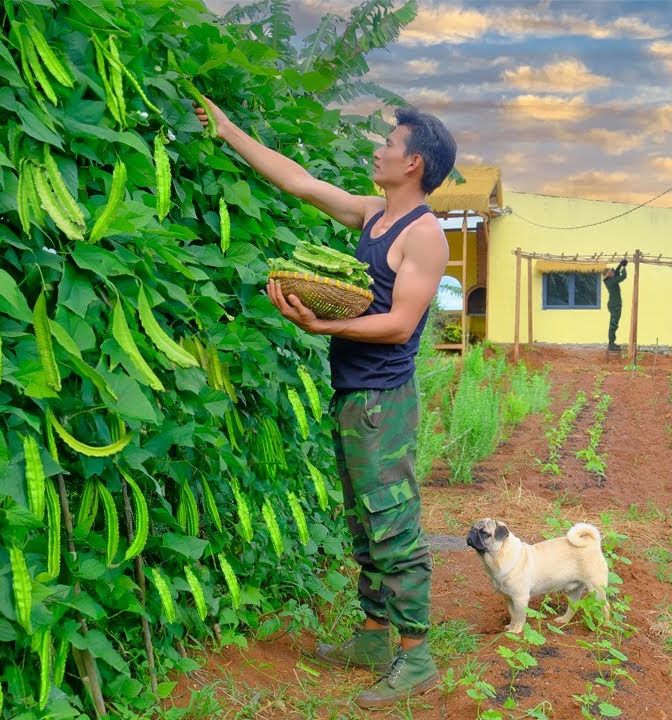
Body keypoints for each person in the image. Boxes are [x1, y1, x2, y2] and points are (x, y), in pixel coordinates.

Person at [195, 98, 456, 708]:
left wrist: (322, 329)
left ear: (413, 161)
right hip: (352, 396)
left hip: (382, 401)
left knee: (392, 522)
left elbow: (398, 325)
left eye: (388, 144)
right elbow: (301, 182)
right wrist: (230, 128)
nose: (377, 149)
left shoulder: (425, 236)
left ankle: (417, 655)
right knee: (363, 520)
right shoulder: (373, 215)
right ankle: (372, 636)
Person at [603, 258, 629, 351]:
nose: (613, 272)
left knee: (614, 324)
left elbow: (616, 272)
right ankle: (611, 344)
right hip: (615, 306)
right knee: (613, 324)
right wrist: (624, 268)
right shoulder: (612, 282)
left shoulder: (609, 280)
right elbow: (623, 276)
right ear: (609, 275)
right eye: (611, 272)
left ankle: (612, 343)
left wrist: (620, 265)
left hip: (614, 304)